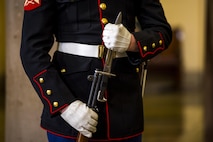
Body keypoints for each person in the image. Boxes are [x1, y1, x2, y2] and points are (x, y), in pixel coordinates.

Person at [20, 0, 172, 141]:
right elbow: (32, 52)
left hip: (123, 105)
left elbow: (162, 32)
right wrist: (65, 106)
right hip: (71, 103)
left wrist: (132, 42)